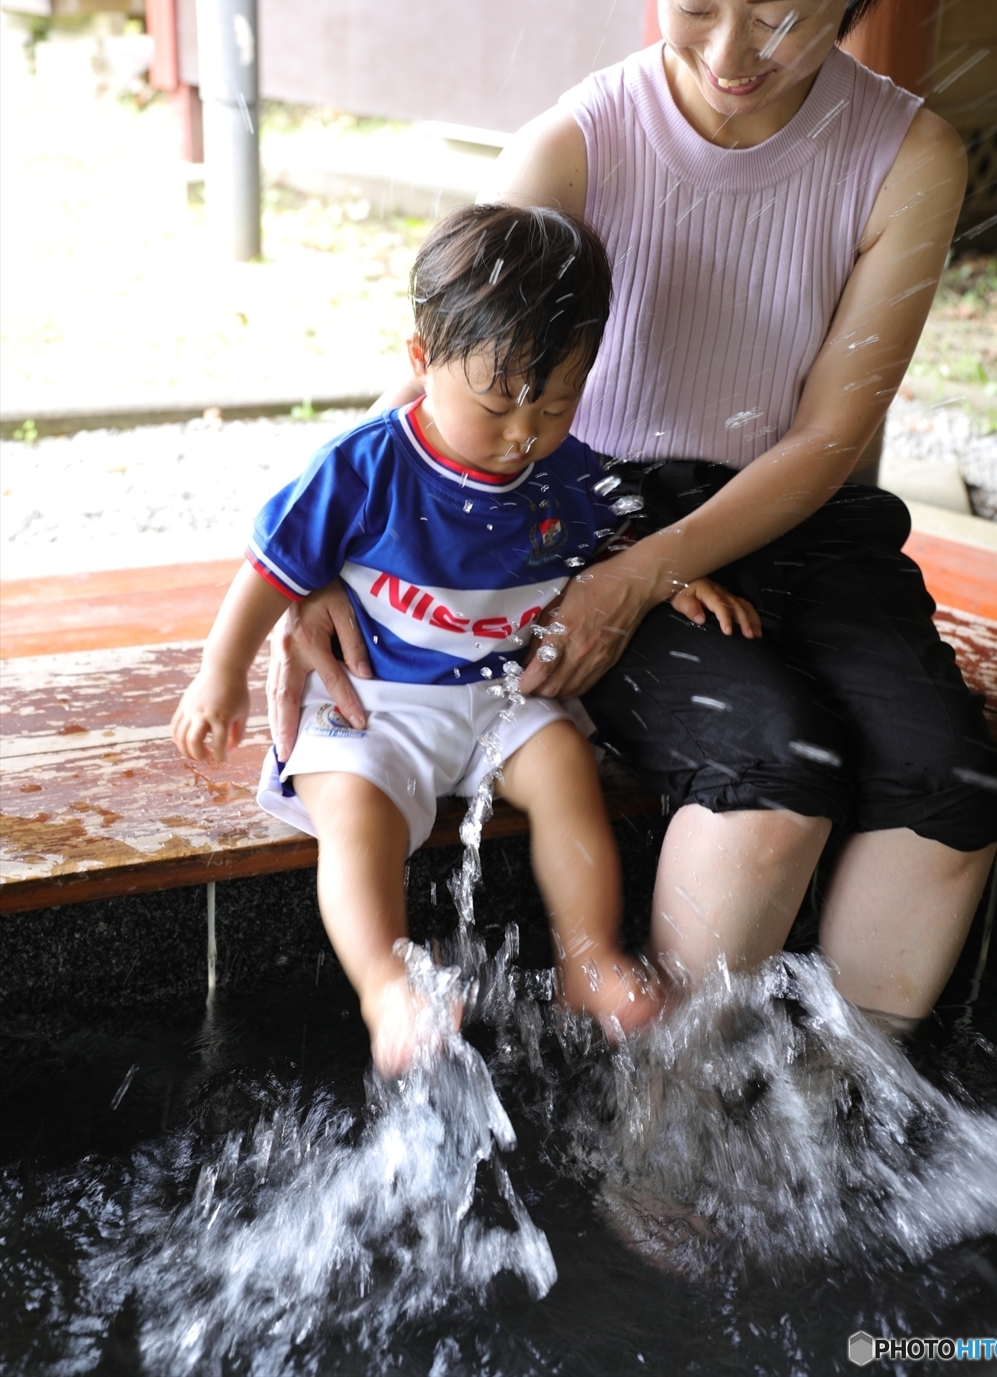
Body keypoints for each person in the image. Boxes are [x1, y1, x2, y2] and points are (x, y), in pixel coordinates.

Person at [265, 0, 997, 1036]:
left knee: (952, 782)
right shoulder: (579, 143)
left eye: (780, 16)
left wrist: (643, 577)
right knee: (775, 770)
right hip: (589, 513)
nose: (727, 58)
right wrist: (303, 576)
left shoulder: (906, 155)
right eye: (693, 3)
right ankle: (660, 1154)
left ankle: (842, 1123)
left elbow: (828, 438)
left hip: (795, 516)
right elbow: (441, 384)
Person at [172, 203, 760, 1073]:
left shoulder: (567, 472)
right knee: (356, 820)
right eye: (496, 406)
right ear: (421, 360)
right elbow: (271, 570)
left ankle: (588, 958)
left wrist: (676, 573)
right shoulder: (365, 465)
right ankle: (386, 987)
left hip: (499, 698)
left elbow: (624, 538)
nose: (524, 434)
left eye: (557, 405)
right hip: (375, 701)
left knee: (565, 769)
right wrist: (217, 677)